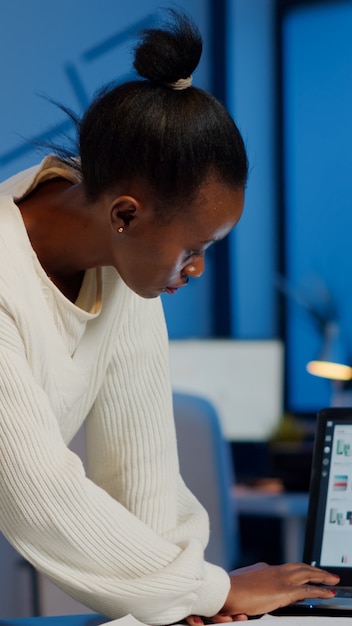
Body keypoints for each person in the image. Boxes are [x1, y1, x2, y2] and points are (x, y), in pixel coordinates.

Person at [0, 8, 339, 625]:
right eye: (193, 248)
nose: (197, 269)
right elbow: (37, 495)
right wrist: (210, 591)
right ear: (125, 215)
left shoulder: (120, 258)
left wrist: (185, 602)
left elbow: (143, 476)